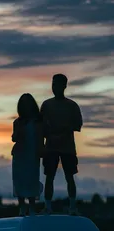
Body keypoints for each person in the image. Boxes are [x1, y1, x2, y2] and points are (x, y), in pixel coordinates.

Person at [41, 74, 83, 215]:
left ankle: (72, 207)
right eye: (53, 84)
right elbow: (41, 127)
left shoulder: (72, 106)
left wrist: (60, 134)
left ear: (64, 86)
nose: (54, 87)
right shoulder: (46, 105)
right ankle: (48, 207)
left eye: (57, 84)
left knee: (69, 176)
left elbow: (77, 125)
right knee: (49, 177)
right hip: (51, 147)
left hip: (67, 148)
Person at [11, 93, 44, 216]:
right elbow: (14, 138)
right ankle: (22, 207)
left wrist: (42, 152)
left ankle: (31, 207)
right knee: (19, 180)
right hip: (20, 155)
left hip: (32, 154)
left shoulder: (38, 122)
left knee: (32, 180)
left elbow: (41, 139)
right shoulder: (18, 122)